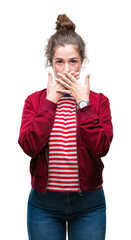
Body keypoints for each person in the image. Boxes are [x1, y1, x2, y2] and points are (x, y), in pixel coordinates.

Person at [18, 14, 113, 240]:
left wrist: (83, 103)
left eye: (73, 61)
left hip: (89, 206)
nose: (67, 69)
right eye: (60, 62)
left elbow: (101, 148)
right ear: (51, 63)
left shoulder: (99, 102)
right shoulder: (35, 101)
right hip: (44, 206)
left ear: (82, 62)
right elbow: (29, 146)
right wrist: (50, 103)